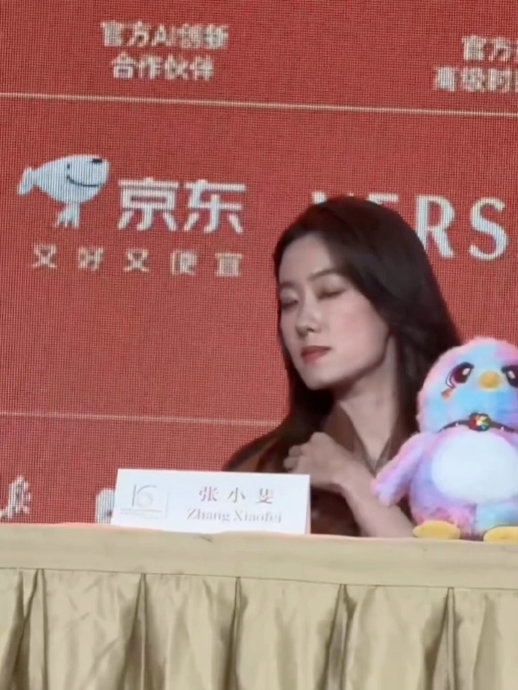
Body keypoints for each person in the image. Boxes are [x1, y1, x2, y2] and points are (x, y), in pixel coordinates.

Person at [224, 196, 460, 537]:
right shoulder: (262, 474)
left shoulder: (479, 458)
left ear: (391, 297)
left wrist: (352, 481)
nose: (304, 321)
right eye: (289, 302)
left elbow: (458, 575)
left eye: (330, 292)